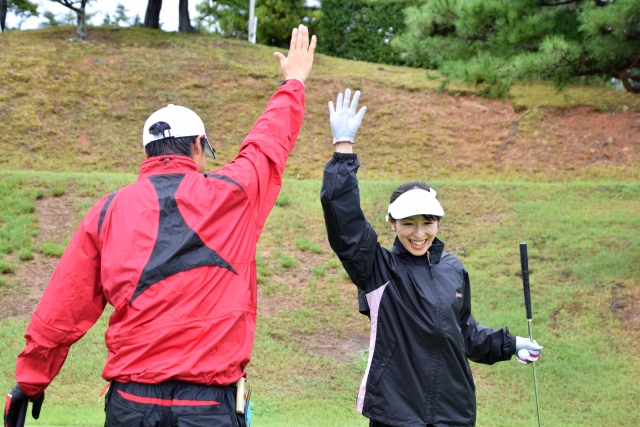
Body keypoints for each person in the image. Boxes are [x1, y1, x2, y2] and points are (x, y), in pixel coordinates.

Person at [4, 25, 316, 427]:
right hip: (209, 407)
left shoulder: (107, 212)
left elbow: (62, 308)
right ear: (199, 145)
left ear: (148, 151)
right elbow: (267, 144)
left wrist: (30, 381)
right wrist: (293, 82)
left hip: (131, 403)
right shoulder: (235, 193)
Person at [320, 89, 544, 427]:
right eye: (408, 223)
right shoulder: (378, 269)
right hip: (396, 415)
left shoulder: (453, 269)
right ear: (392, 223)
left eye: (428, 223)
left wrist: (509, 344)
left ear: (438, 222)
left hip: (455, 414)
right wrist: (343, 152)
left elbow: (463, 332)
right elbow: (345, 223)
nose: (419, 233)